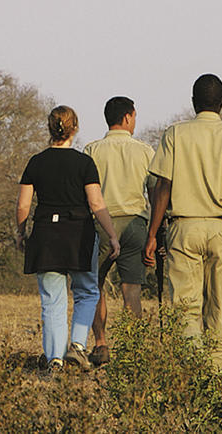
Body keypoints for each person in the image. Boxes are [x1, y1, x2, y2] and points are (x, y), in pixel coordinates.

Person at [144, 74, 222, 370]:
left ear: (194, 103)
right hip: (221, 228)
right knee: (220, 306)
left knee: (185, 307)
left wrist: (152, 233)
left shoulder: (175, 134)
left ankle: (192, 371)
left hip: (183, 227)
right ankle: (217, 373)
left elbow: (163, 187)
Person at [16, 105, 121, 371]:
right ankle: (77, 345)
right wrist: (112, 235)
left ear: (50, 129)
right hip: (79, 235)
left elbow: (23, 206)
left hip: (45, 236)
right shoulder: (83, 162)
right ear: (75, 128)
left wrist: (20, 232)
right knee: (87, 292)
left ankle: (55, 360)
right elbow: (96, 203)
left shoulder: (35, 162)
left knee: (53, 300)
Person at [83, 96, 155, 366]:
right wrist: (154, 233)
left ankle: (101, 343)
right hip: (135, 222)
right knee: (131, 288)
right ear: (127, 117)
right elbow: (154, 192)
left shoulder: (92, 150)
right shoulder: (145, 151)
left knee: (95, 286)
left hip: (102, 224)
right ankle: (132, 348)